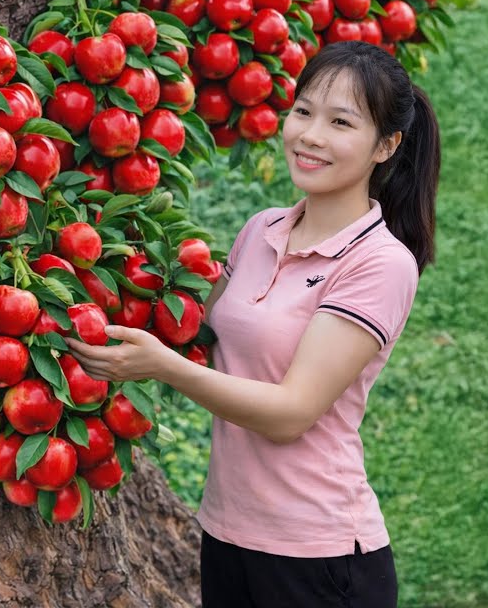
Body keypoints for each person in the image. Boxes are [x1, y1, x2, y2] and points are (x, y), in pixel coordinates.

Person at [68, 39, 441, 607]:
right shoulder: (262, 229)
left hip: (319, 557)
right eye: (303, 112)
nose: (311, 135)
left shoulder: (380, 264)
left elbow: (290, 414)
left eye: (341, 122)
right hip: (227, 534)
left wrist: (162, 368)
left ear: (385, 146)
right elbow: (192, 329)